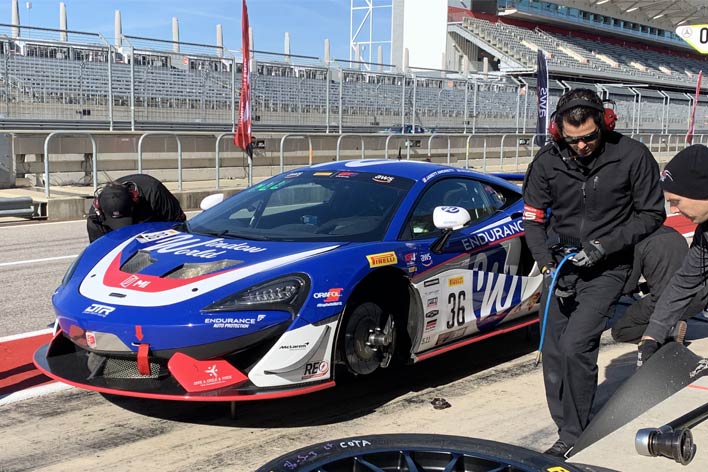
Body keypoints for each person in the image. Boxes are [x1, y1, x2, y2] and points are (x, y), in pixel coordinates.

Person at [522, 88, 665, 458]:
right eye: (573, 140)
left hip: (610, 265)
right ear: (559, 134)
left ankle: (573, 434)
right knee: (553, 353)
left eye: (589, 137)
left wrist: (604, 246)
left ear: (604, 123)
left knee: (575, 346)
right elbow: (534, 220)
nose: (582, 146)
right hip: (561, 265)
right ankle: (564, 426)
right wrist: (546, 261)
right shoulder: (546, 162)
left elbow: (652, 214)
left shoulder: (632, 155)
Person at [636, 144, 708, 367]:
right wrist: (652, 335)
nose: (674, 210)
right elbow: (684, 283)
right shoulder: (705, 234)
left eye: (676, 202)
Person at [611, 225, 708, 347]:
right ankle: (674, 324)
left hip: (667, 302)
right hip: (699, 298)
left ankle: (668, 331)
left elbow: (629, 286)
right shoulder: (674, 233)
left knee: (621, 331)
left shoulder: (637, 241)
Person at [87, 173, 186, 243]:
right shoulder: (95, 219)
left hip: (158, 232)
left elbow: (179, 225)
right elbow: (99, 253)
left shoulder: (153, 192)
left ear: (134, 199)